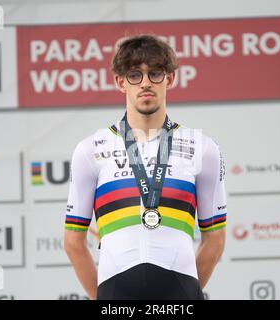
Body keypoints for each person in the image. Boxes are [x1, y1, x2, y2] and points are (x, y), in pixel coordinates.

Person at [64, 34, 227, 300]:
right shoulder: (90, 150)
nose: (146, 83)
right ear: (120, 82)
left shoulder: (203, 147)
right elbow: (73, 241)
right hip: (116, 294)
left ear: (170, 79)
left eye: (155, 73)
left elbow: (215, 238)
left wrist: (185, 291)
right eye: (134, 75)